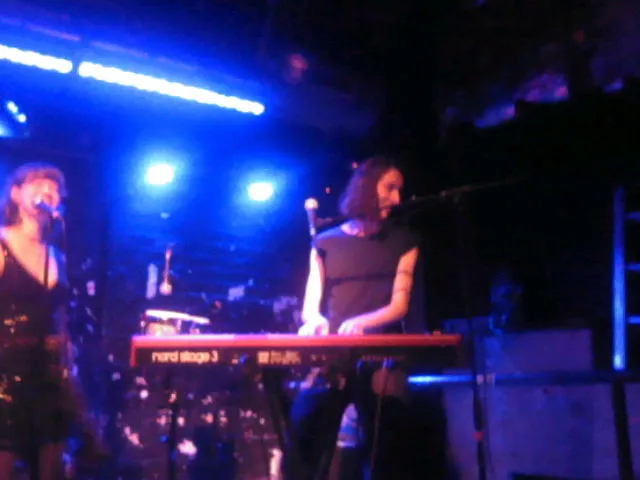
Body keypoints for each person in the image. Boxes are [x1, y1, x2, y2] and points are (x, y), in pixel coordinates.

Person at [290, 156, 428, 480]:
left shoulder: (404, 241)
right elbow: (311, 306)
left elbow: (400, 306)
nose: (397, 198)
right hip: (334, 355)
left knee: (386, 442)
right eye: (390, 188)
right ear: (367, 187)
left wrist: (364, 322)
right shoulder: (324, 242)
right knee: (304, 431)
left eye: (399, 190)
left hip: (382, 355)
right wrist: (315, 321)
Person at [0, 162, 103, 479]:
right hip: (5, 373)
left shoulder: (57, 255)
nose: (47, 190)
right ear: (16, 194)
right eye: (37, 183)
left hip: (49, 376)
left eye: (54, 187)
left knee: (51, 465)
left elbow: (60, 317)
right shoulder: (1, 244)